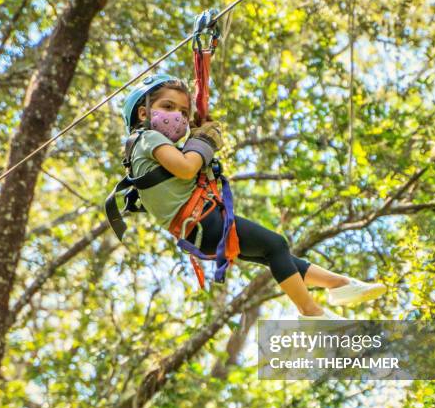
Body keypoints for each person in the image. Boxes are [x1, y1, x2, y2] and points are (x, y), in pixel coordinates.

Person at [118, 73, 386, 319]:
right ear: (143, 113)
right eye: (168, 107)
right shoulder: (147, 139)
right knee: (275, 244)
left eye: (183, 112)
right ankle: (311, 312)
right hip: (202, 222)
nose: (178, 116)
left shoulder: (142, 147)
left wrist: (198, 139)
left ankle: (337, 284)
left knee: (272, 254)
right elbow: (188, 168)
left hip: (200, 227)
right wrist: (205, 142)